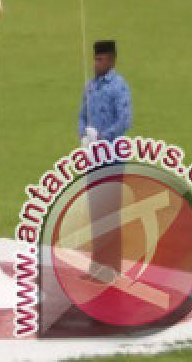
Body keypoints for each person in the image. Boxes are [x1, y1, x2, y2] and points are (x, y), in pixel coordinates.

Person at [78, 40, 132, 283]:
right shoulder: (90, 87)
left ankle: (111, 268)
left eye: (100, 60)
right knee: (96, 213)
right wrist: (83, 135)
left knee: (110, 213)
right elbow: (81, 114)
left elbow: (124, 120)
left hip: (111, 158)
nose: (96, 63)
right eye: (95, 59)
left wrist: (101, 137)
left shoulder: (118, 87)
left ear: (110, 60)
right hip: (94, 159)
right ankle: (97, 266)